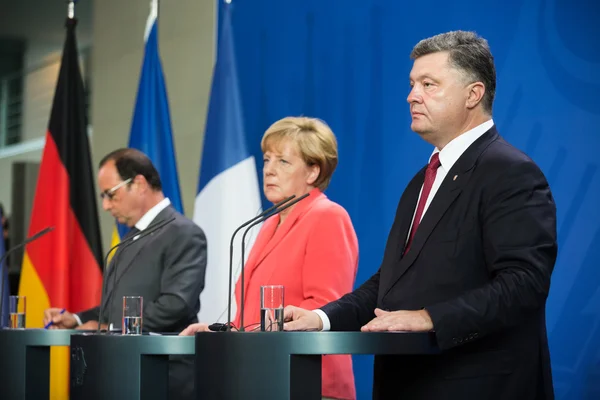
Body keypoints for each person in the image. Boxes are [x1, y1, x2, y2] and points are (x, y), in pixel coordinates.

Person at [283, 31, 557, 400]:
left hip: (475, 386)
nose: (412, 95)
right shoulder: (422, 180)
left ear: (473, 94)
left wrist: (430, 318)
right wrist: (320, 319)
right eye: (413, 84)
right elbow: (390, 284)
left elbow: (525, 283)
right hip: (406, 383)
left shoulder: (510, 172)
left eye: (429, 84)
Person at [181, 117, 359, 400]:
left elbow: (325, 308)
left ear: (313, 171)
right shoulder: (267, 225)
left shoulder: (327, 217)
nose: (269, 171)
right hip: (261, 378)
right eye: (266, 160)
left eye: (283, 162)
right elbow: (255, 316)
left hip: (308, 383)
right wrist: (223, 332)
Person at [44, 148, 207, 399]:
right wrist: (75, 320)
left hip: (161, 376)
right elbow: (116, 307)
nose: (106, 206)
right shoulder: (130, 237)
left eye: (111, 194)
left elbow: (175, 305)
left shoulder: (183, 233)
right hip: (120, 371)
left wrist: (109, 328)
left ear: (139, 184)